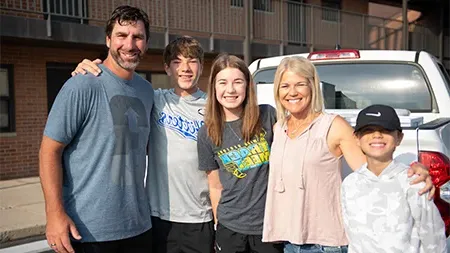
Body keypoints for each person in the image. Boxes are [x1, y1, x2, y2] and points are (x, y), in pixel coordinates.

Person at [262, 56, 435, 253]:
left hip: (324, 244)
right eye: (285, 86)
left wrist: (414, 169)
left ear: (312, 86)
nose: (292, 92)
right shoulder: (279, 128)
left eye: (300, 84)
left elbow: (373, 169)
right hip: (288, 241)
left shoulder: (333, 126)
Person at [72, 36, 214, 253]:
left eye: (192, 61)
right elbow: (121, 83)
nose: (185, 68)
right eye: (177, 62)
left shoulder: (213, 108)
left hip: (199, 217)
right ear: (167, 68)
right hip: (157, 217)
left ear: (201, 67)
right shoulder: (154, 98)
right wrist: (88, 68)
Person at [39, 5, 154, 253]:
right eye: (122, 36)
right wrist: (54, 214)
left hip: (140, 227)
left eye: (138, 37)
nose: (130, 44)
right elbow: (49, 151)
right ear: (108, 40)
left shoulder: (147, 92)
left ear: (146, 44)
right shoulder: (82, 85)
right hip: (89, 231)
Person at [197, 53, 282, 253]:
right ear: (214, 87)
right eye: (223, 82)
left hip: (269, 227)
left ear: (247, 86)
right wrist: (219, 225)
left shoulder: (268, 116)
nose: (230, 90)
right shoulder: (207, 132)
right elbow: (215, 186)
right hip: (230, 228)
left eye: (238, 82)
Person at [341, 104, 446, 253]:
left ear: (399, 138)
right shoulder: (349, 184)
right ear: (357, 138)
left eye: (386, 130)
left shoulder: (413, 183)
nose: (377, 135)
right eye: (368, 130)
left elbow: (433, 237)